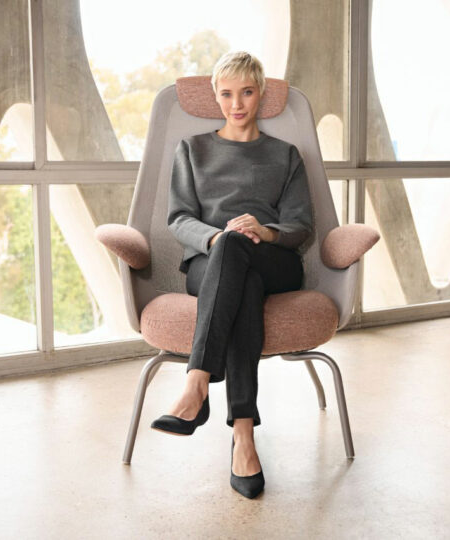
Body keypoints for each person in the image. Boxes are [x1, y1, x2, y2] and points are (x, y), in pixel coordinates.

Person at [150, 51, 313, 499]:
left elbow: (301, 225)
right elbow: (180, 218)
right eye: (226, 94)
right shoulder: (193, 149)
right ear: (215, 97)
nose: (236, 103)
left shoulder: (285, 154)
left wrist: (264, 230)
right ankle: (244, 436)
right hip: (211, 260)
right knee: (241, 278)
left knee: (243, 252)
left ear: (260, 93)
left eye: (246, 92)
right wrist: (216, 238)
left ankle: (196, 383)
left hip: (273, 257)